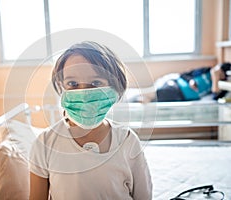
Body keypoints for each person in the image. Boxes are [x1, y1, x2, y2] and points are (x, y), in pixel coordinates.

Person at [29, 41, 152, 200]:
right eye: (72, 84)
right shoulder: (44, 143)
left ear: (114, 87)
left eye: (96, 83)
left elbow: (144, 197)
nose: (84, 93)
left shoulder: (128, 141)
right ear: (62, 87)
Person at [129, 62, 231, 103]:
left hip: (181, 96)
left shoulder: (220, 87)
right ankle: (132, 95)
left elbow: (214, 98)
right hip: (176, 85)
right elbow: (184, 74)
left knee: (152, 99)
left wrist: (215, 79)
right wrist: (191, 81)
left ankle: (136, 98)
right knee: (155, 93)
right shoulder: (205, 71)